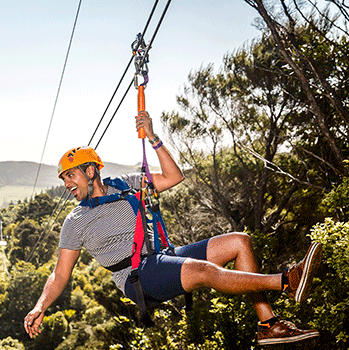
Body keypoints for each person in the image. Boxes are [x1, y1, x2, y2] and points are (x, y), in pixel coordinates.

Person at [23, 111, 321, 346]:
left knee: (239, 242)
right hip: (135, 276)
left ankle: (268, 326)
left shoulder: (124, 184)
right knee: (204, 270)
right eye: (64, 179)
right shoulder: (75, 221)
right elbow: (60, 274)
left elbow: (173, 176)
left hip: (161, 256)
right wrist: (40, 307)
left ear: (91, 171)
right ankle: (286, 280)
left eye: (71, 176)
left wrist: (152, 137)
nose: (67, 184)